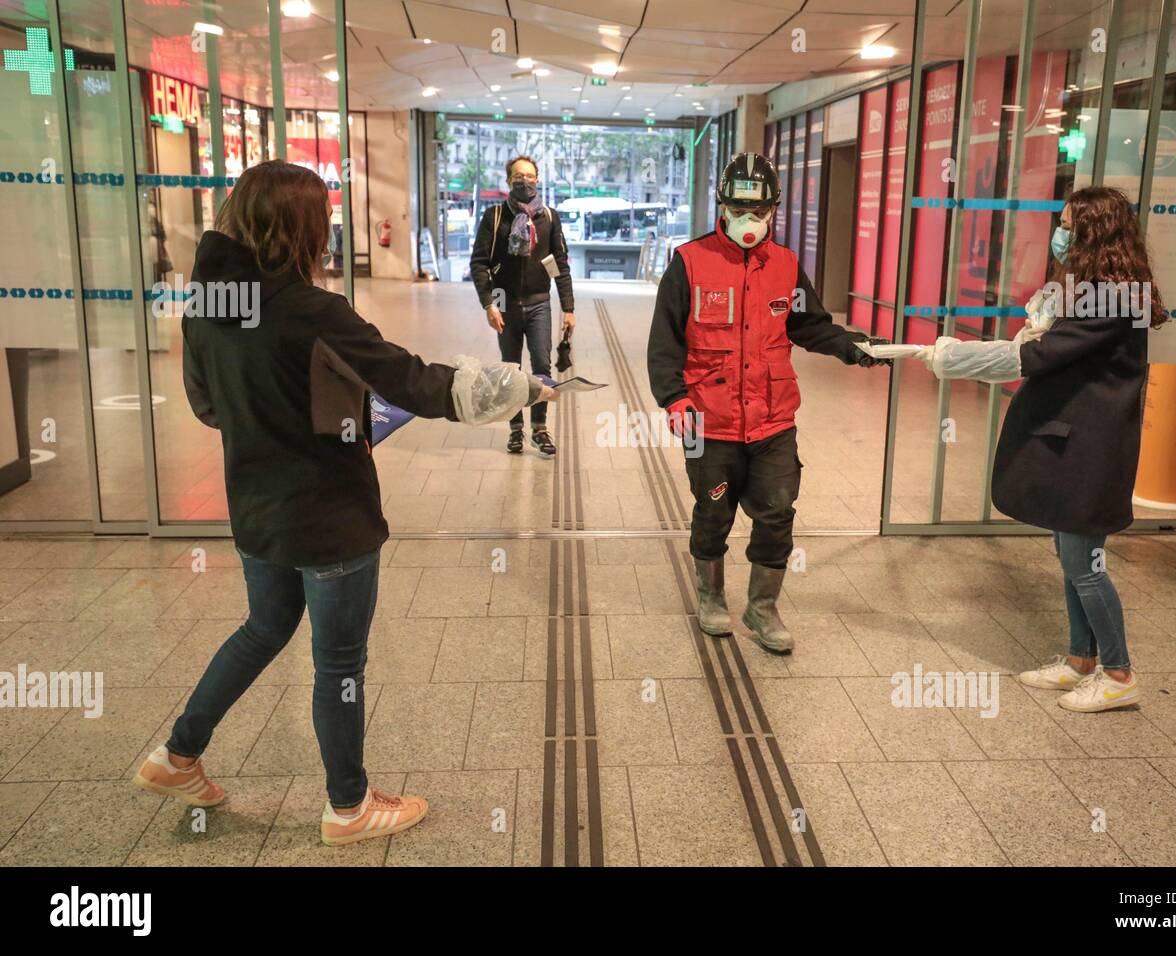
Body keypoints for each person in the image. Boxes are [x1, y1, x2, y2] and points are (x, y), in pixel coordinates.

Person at [131, 160, 552, 845]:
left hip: (256, 511)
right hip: (330, 518)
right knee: (339, 666)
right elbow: (413, 382)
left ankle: (178, 753)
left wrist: (283, 411)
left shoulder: (207, 306)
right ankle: (349, 807)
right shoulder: (311, 310)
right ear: (300, 231)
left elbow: (209, 408)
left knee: (263, 628)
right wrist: (522, 388)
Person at [913, 185, 1164, 712]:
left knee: (1085, 563)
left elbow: (1043, 356)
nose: (1061, 232)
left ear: (1095, 232)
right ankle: (1080, 661)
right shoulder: (1096, 289)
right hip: (1072, 441)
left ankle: (1118, 673)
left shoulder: (1113, 296)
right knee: (1070, 556)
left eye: (1070, 223)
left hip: (1090, 451)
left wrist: (953, 358)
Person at [647, 152, 889, 654]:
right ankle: (711, 596)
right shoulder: (690, 261)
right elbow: (664, 340)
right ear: (722, 206)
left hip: (773, 418)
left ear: (774, 210)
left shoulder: (784, 265)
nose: (748, 221)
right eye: (738, 210)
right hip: (708, 421)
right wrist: (673, 397)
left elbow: (809, 325)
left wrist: (851, 346)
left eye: (758, 212)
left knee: (778, 511)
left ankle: (762, 607)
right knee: (713, 512)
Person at [470, 154, 575, 458]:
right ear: (508, 181)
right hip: (505, 305)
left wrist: (568, 308)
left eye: (530, 176)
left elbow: (560, 266)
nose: (525, 181)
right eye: (519, 176)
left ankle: (540, 429)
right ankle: (516, 429)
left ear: (538, 180)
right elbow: (479, 264)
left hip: (540, 303)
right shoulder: (495, 217)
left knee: (542, 367)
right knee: (511, 369)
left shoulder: (549, 218)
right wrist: (489, 304)